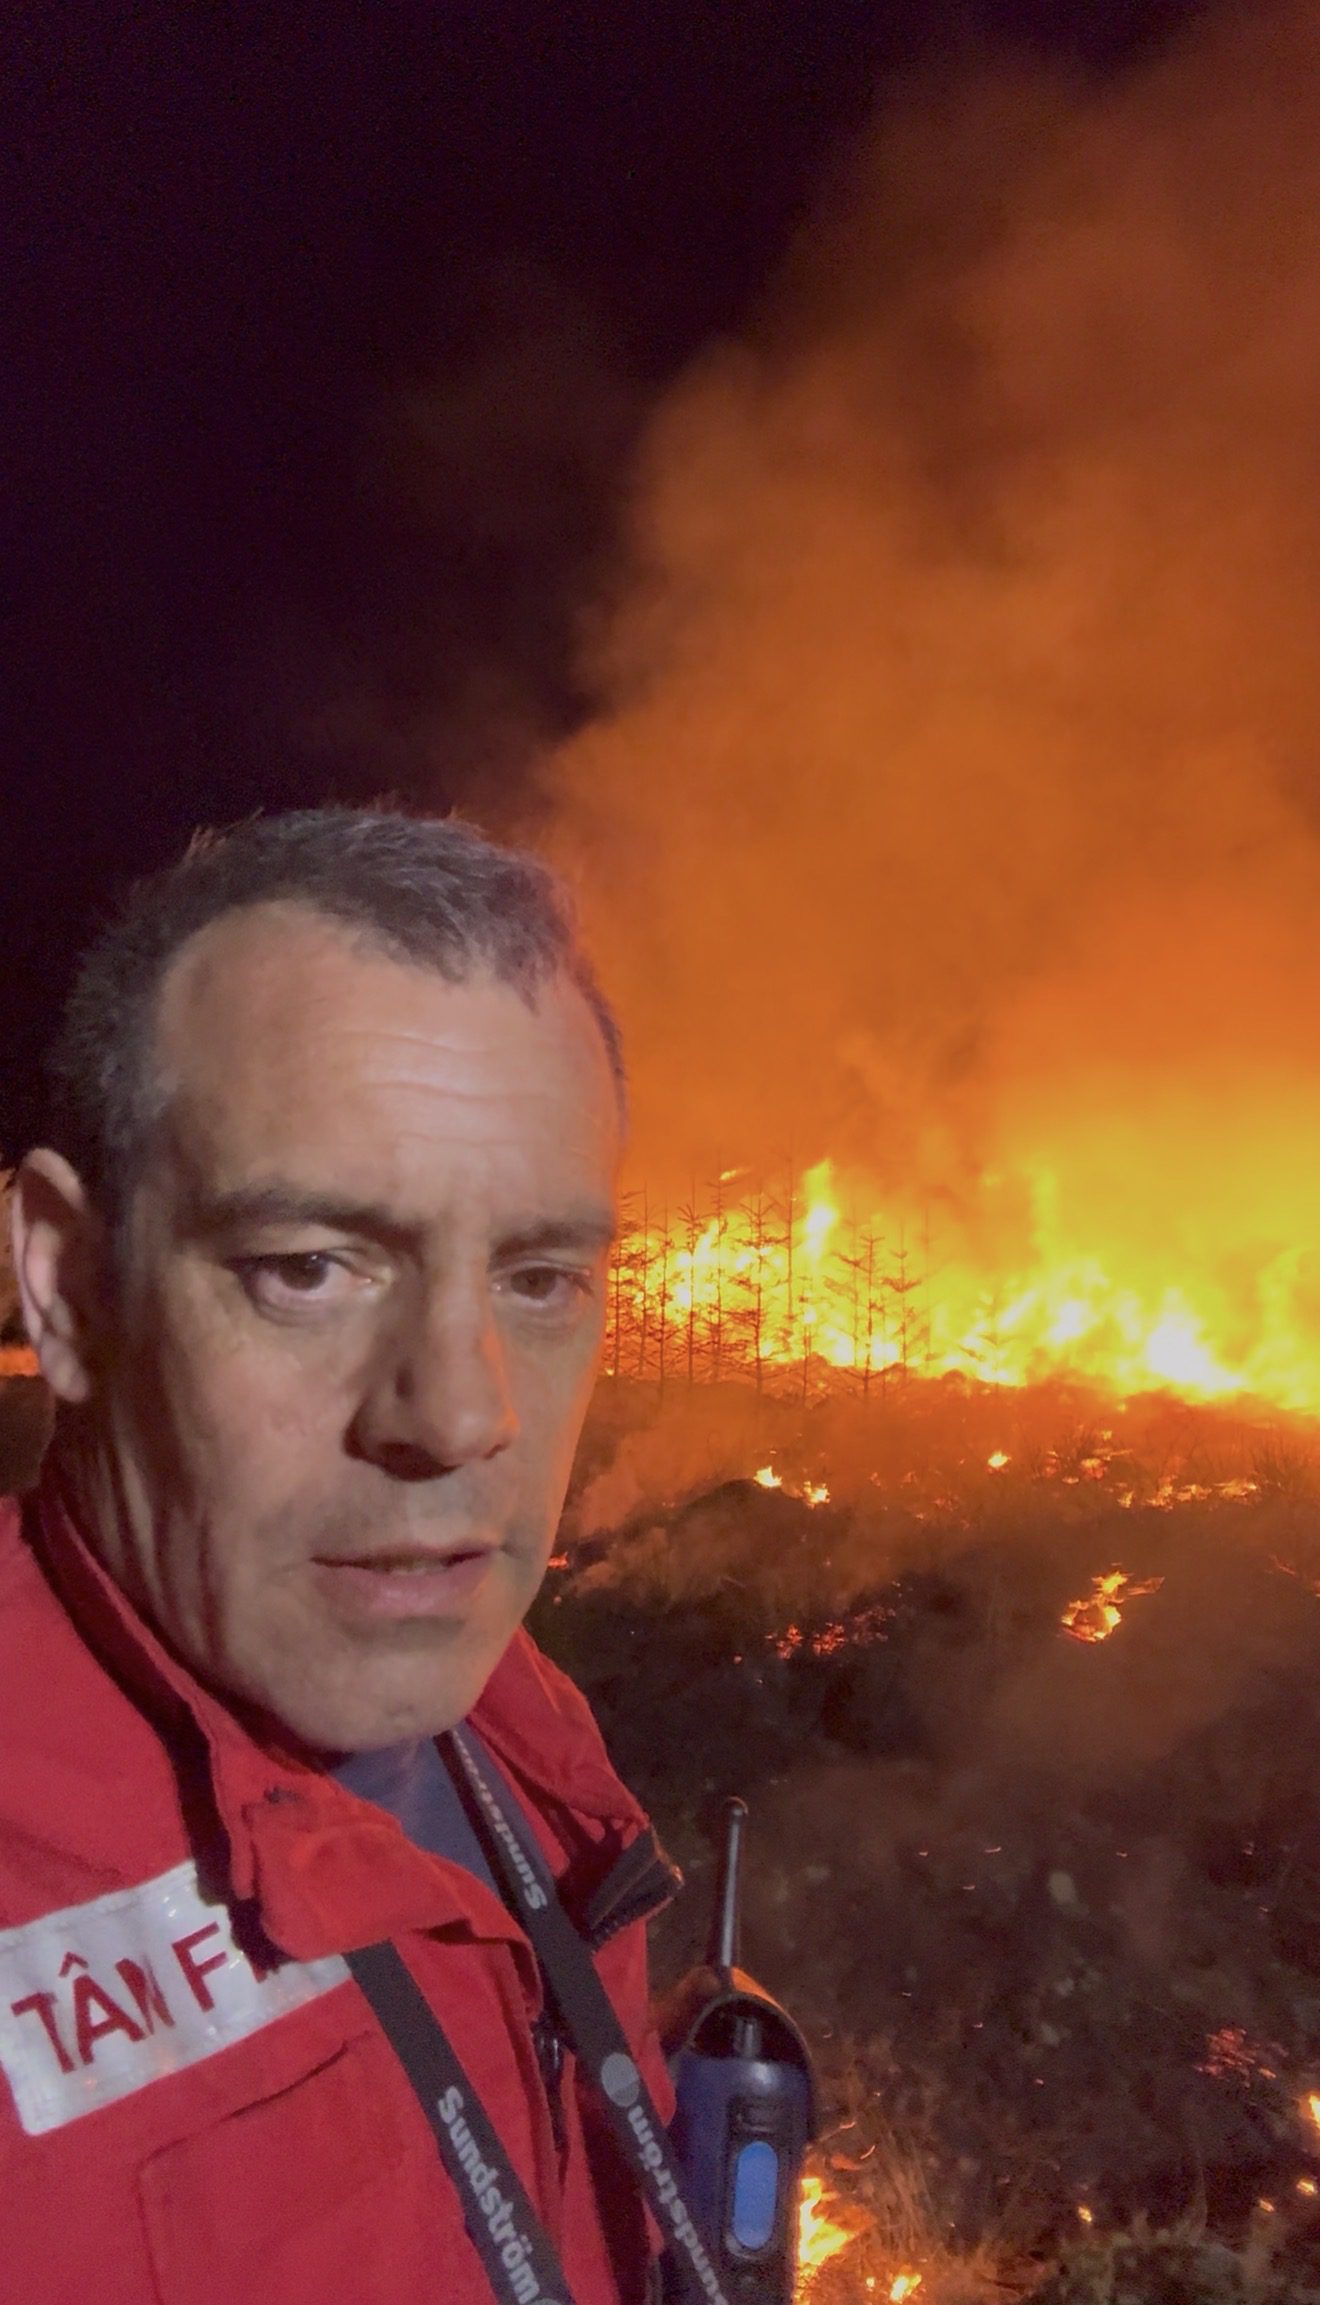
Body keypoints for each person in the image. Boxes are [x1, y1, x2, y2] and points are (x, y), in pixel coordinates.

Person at [0, 808, 675, 2304]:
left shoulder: (523, 1730)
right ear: (63, 1285)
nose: (460, 1413)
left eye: (541, 1275)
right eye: (308, 1267)